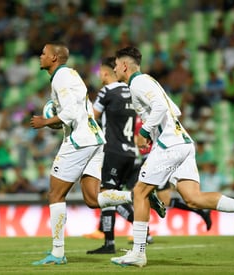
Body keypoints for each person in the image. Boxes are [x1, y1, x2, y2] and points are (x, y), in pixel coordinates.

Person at [110, 46, 234, 268]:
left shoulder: (138, 82)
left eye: (115, 64)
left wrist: (144, 132)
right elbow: (174, 110)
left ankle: (138, 252)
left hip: (170, 145)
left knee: (139, 192)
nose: (114, 68)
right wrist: (153, 134)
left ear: (124, 65)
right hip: (182, 142)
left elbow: (162, 107)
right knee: (193, 198)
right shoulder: (149, 81)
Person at [29, 42, 163, 266]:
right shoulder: (72, 76)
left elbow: (71, 112)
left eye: (43, 53)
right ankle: (136, 196)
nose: (40, 56)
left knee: (54, 195)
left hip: (79, 141)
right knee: (92, 199)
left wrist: (46, 122)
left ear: (54, 58)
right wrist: (57, 123)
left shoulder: (61, 78)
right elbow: (84, 111)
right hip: (96, 139)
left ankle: (58, 252)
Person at [86, 57, 155, 255]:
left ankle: (117, 237)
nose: (99, 75)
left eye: (100, 72)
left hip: (113, 151)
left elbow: (93, 117)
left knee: (107, 195)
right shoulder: (132, 91)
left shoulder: (107, 91)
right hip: (132, 153)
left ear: (106, 73)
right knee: (110, 194)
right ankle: (112, 241)